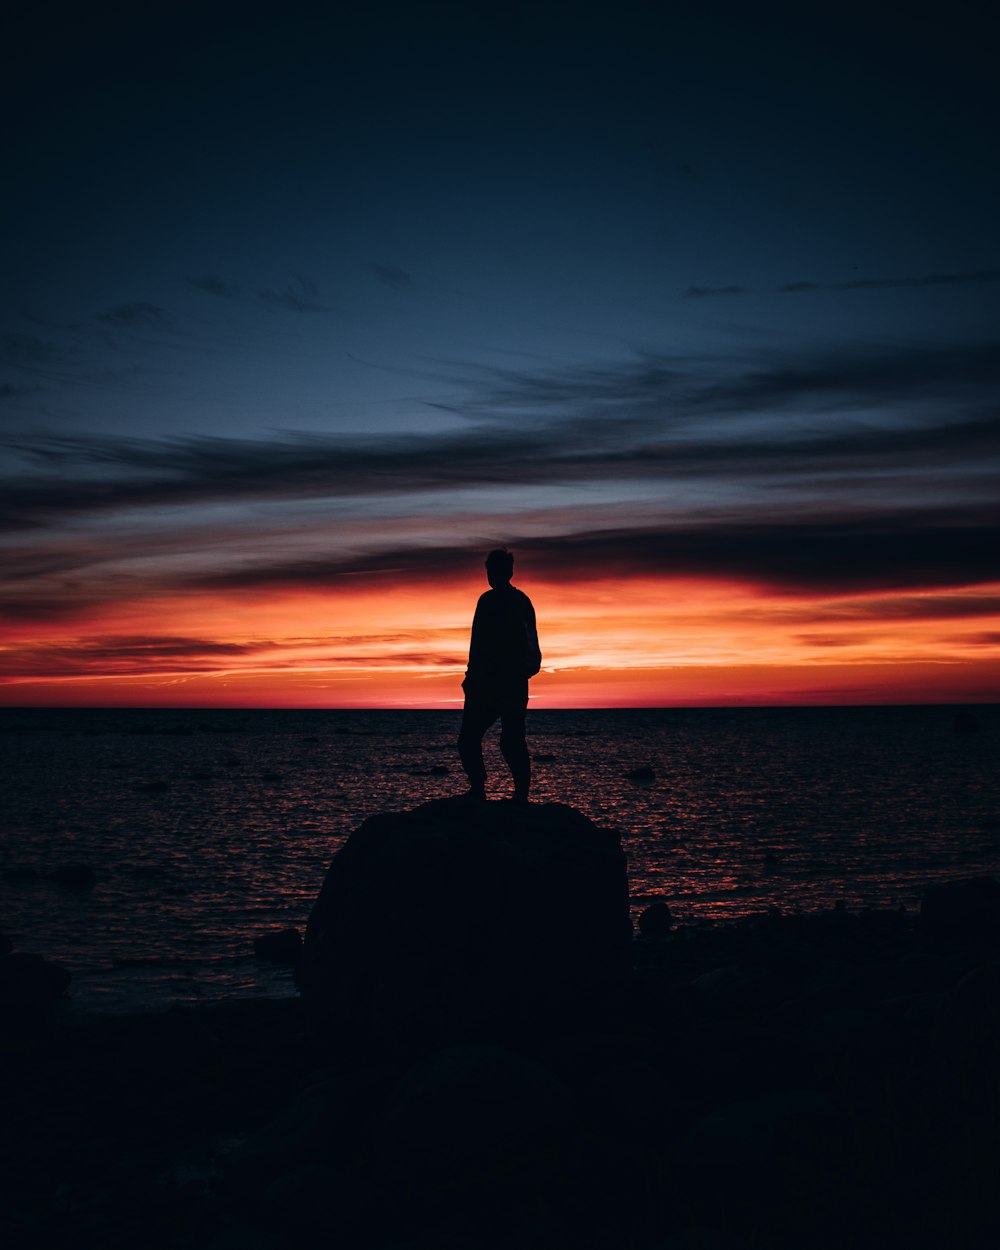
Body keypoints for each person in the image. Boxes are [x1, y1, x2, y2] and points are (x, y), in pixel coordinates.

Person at [457, 548, 541, 802]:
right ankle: (479, 789)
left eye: (497, 570)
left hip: (509, 682)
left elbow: (531, 642)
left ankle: (520, 794)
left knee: (511, 739)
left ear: (509, 572)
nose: (492, 575)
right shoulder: (486, 601)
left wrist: (522, 671)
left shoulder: (519, 602)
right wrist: (471, 677)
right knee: (469, 738)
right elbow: (477, 644)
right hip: (484, 683)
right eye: (490, 570)